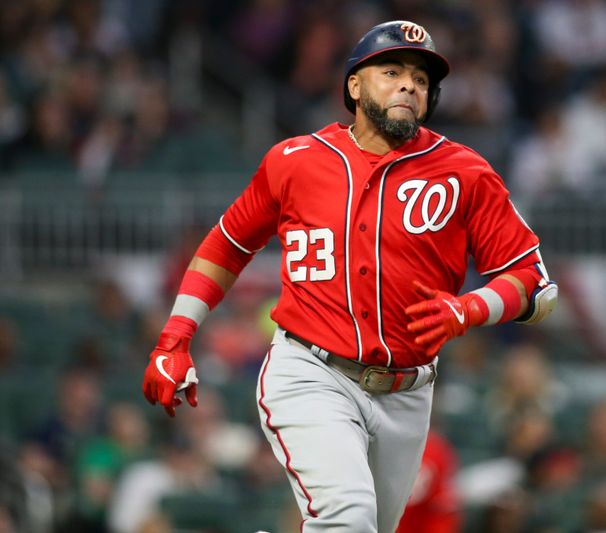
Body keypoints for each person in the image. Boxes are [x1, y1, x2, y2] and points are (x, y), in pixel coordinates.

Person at [141, 20, 558, 533]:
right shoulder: (294, 160)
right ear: (354, 87)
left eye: (421, 79)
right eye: (392, 71)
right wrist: (174, 337)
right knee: (347, 518)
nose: (410, 84)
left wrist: (471, 306)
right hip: (311, 372)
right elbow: (226, 245)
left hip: (408, 391)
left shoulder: (464, 171)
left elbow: (534, 283)